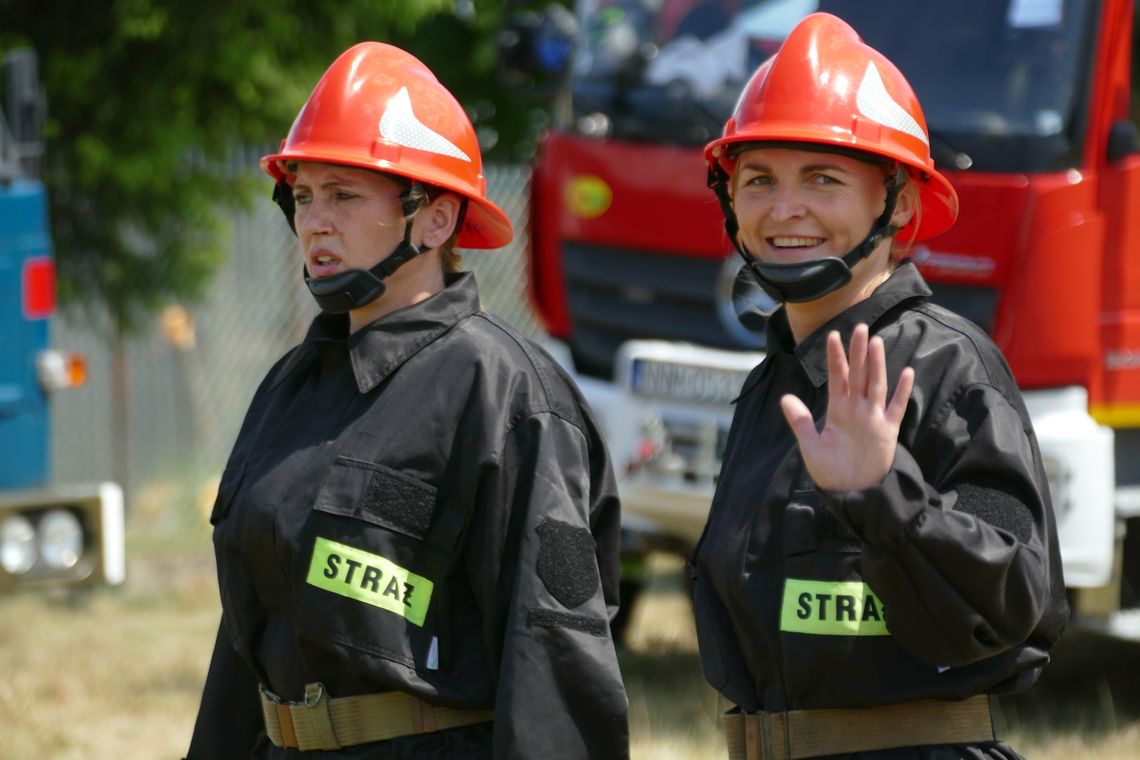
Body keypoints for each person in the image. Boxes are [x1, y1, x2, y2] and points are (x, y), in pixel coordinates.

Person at [185, 42, 629, 760]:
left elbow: (556, 659)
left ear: (436, 220)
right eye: (303, 195)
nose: (315, 222)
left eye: (346, 195)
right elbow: (247, 640)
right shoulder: (292, 385)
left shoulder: (508, 398)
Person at [692, 13, 1068, 760]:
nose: (784, 208)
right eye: (759, 179)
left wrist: (881, 494)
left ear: (898, 205)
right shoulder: (775, 386)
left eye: (822, 179)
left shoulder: (952, 371)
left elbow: (1009, 607)